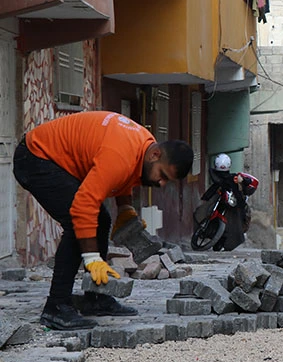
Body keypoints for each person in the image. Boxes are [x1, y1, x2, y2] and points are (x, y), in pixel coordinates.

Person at [13, 111, 194, 330]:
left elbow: (125, 175)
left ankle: (95, 299)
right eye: (162, 175)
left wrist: (125, 208)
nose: (162, 183)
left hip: (55, 161)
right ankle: (56, 307)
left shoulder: (143, 146)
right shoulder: (121, 153)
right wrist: (92, 258)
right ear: (155, 155)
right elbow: (84, 204)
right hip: (35, 158)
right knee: (76, 221)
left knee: (101, 220)